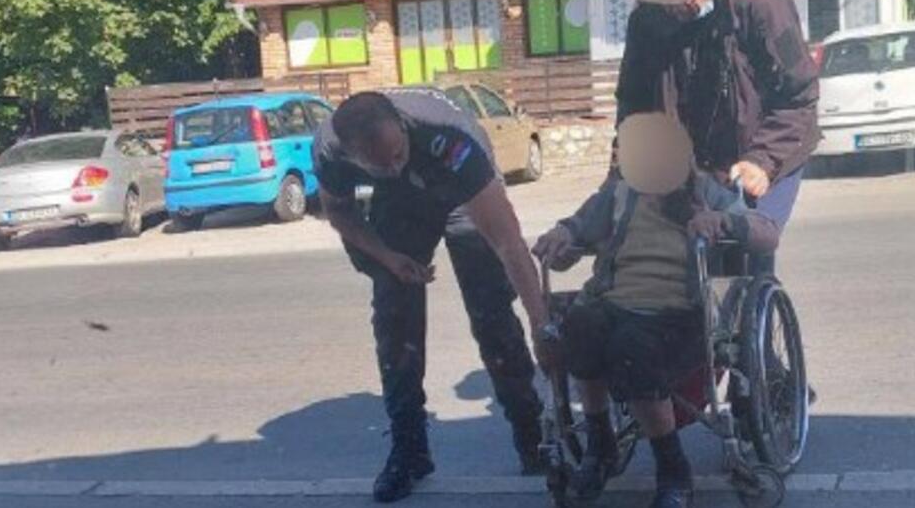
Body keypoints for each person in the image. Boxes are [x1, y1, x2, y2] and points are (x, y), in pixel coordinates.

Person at [312, 89, 554, 503]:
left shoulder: (449, 139)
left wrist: (541, 323)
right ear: (353, 156)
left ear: (402, 128)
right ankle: (409, 451)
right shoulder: (330, 150)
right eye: (380, 163)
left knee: (491, 314)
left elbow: (508, 243)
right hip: (400, 202)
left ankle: (532, 435)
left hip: (459, 191)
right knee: (395, 321)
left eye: (397, 153)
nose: (393, 164)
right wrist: (387, 258)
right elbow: (339, 212)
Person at [533, 103, 780, 508]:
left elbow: (766, 233)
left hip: (676, 316)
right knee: (578, 327)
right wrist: (561, 235)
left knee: (631, 346)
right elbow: (577, 230)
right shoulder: (618, 193)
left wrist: (723, 222)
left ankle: (673, 469)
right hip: (612, 304)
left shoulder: (706, 191)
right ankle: (600, 444)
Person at [615, 0, 820, 267]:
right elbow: (633, 106)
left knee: (747, 245)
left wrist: (762, 161)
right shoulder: (647, 18)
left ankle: (756, 293)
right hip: (699, 154)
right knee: (683, 258)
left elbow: (799, 93)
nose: (667, 10)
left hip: (770, 143)